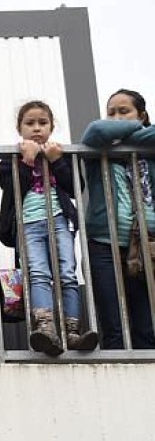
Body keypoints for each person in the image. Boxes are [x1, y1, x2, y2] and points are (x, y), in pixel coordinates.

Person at [0, 101, 97, 356]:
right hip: (28, 225)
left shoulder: (59, 154)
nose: (37, 128)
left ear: (52, 126)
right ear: (19, 128)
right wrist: (27, 162)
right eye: (30, 123)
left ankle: (71, 331)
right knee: (39, 273)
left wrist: (57, 161)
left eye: (43, 123)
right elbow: (9, 186)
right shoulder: (10, 158)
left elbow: (76, 188)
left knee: (67, 273)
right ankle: (46, 329)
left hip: (60, 221)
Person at [82, 89, 155, 349]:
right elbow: (95, 132)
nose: (115, 117)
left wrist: (128, 138)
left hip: (145, 243)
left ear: (142, 114)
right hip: (104, 242)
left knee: (145, 324)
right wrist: (135, 130)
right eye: (111, 112)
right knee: (112, 323)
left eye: (124, 111)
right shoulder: (98, 146)